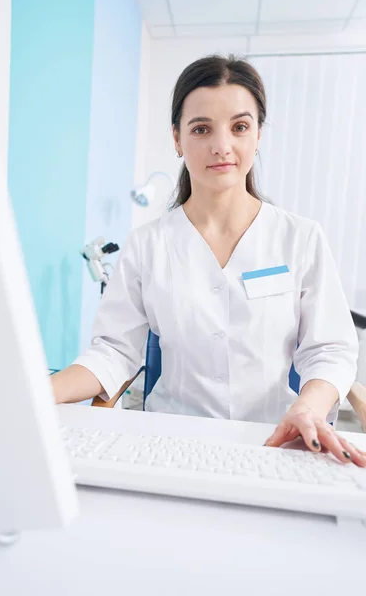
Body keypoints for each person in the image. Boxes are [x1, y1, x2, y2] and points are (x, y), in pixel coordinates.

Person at [52, 54, 366, 468]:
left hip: (275, 440)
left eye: (239, 127)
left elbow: (330, 349)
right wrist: (37, 393)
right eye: (201, 129)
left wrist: (308, 406)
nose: (222, 146)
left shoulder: (300, 238)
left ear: (258, 135)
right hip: (168, 443)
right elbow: (114, 352)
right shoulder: (148, 244)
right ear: (177, 139)